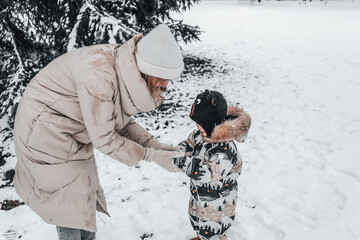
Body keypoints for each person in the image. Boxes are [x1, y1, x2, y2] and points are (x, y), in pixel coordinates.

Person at [13, 24, 184, 239]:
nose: (166, 84)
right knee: (67, 201)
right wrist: (153, 156)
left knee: (81, 191)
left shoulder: (123, 66)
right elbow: (106, 139)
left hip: (65, 129)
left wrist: (155, 145)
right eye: (162, 79)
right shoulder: (100, 75)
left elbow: (116, 121)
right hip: (44, 132)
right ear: (148, 71)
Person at [173, 90, 251, 240]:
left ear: (214, 124)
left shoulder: (225, 151)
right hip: (200, 198)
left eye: (201, 123)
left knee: (213, 230)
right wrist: (180, 150)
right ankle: (201, 236)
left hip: (218, 205)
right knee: (199, 222)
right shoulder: (200, 135)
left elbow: (206, 172)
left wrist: (183, 161)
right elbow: (189, 143)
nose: (197, 126)